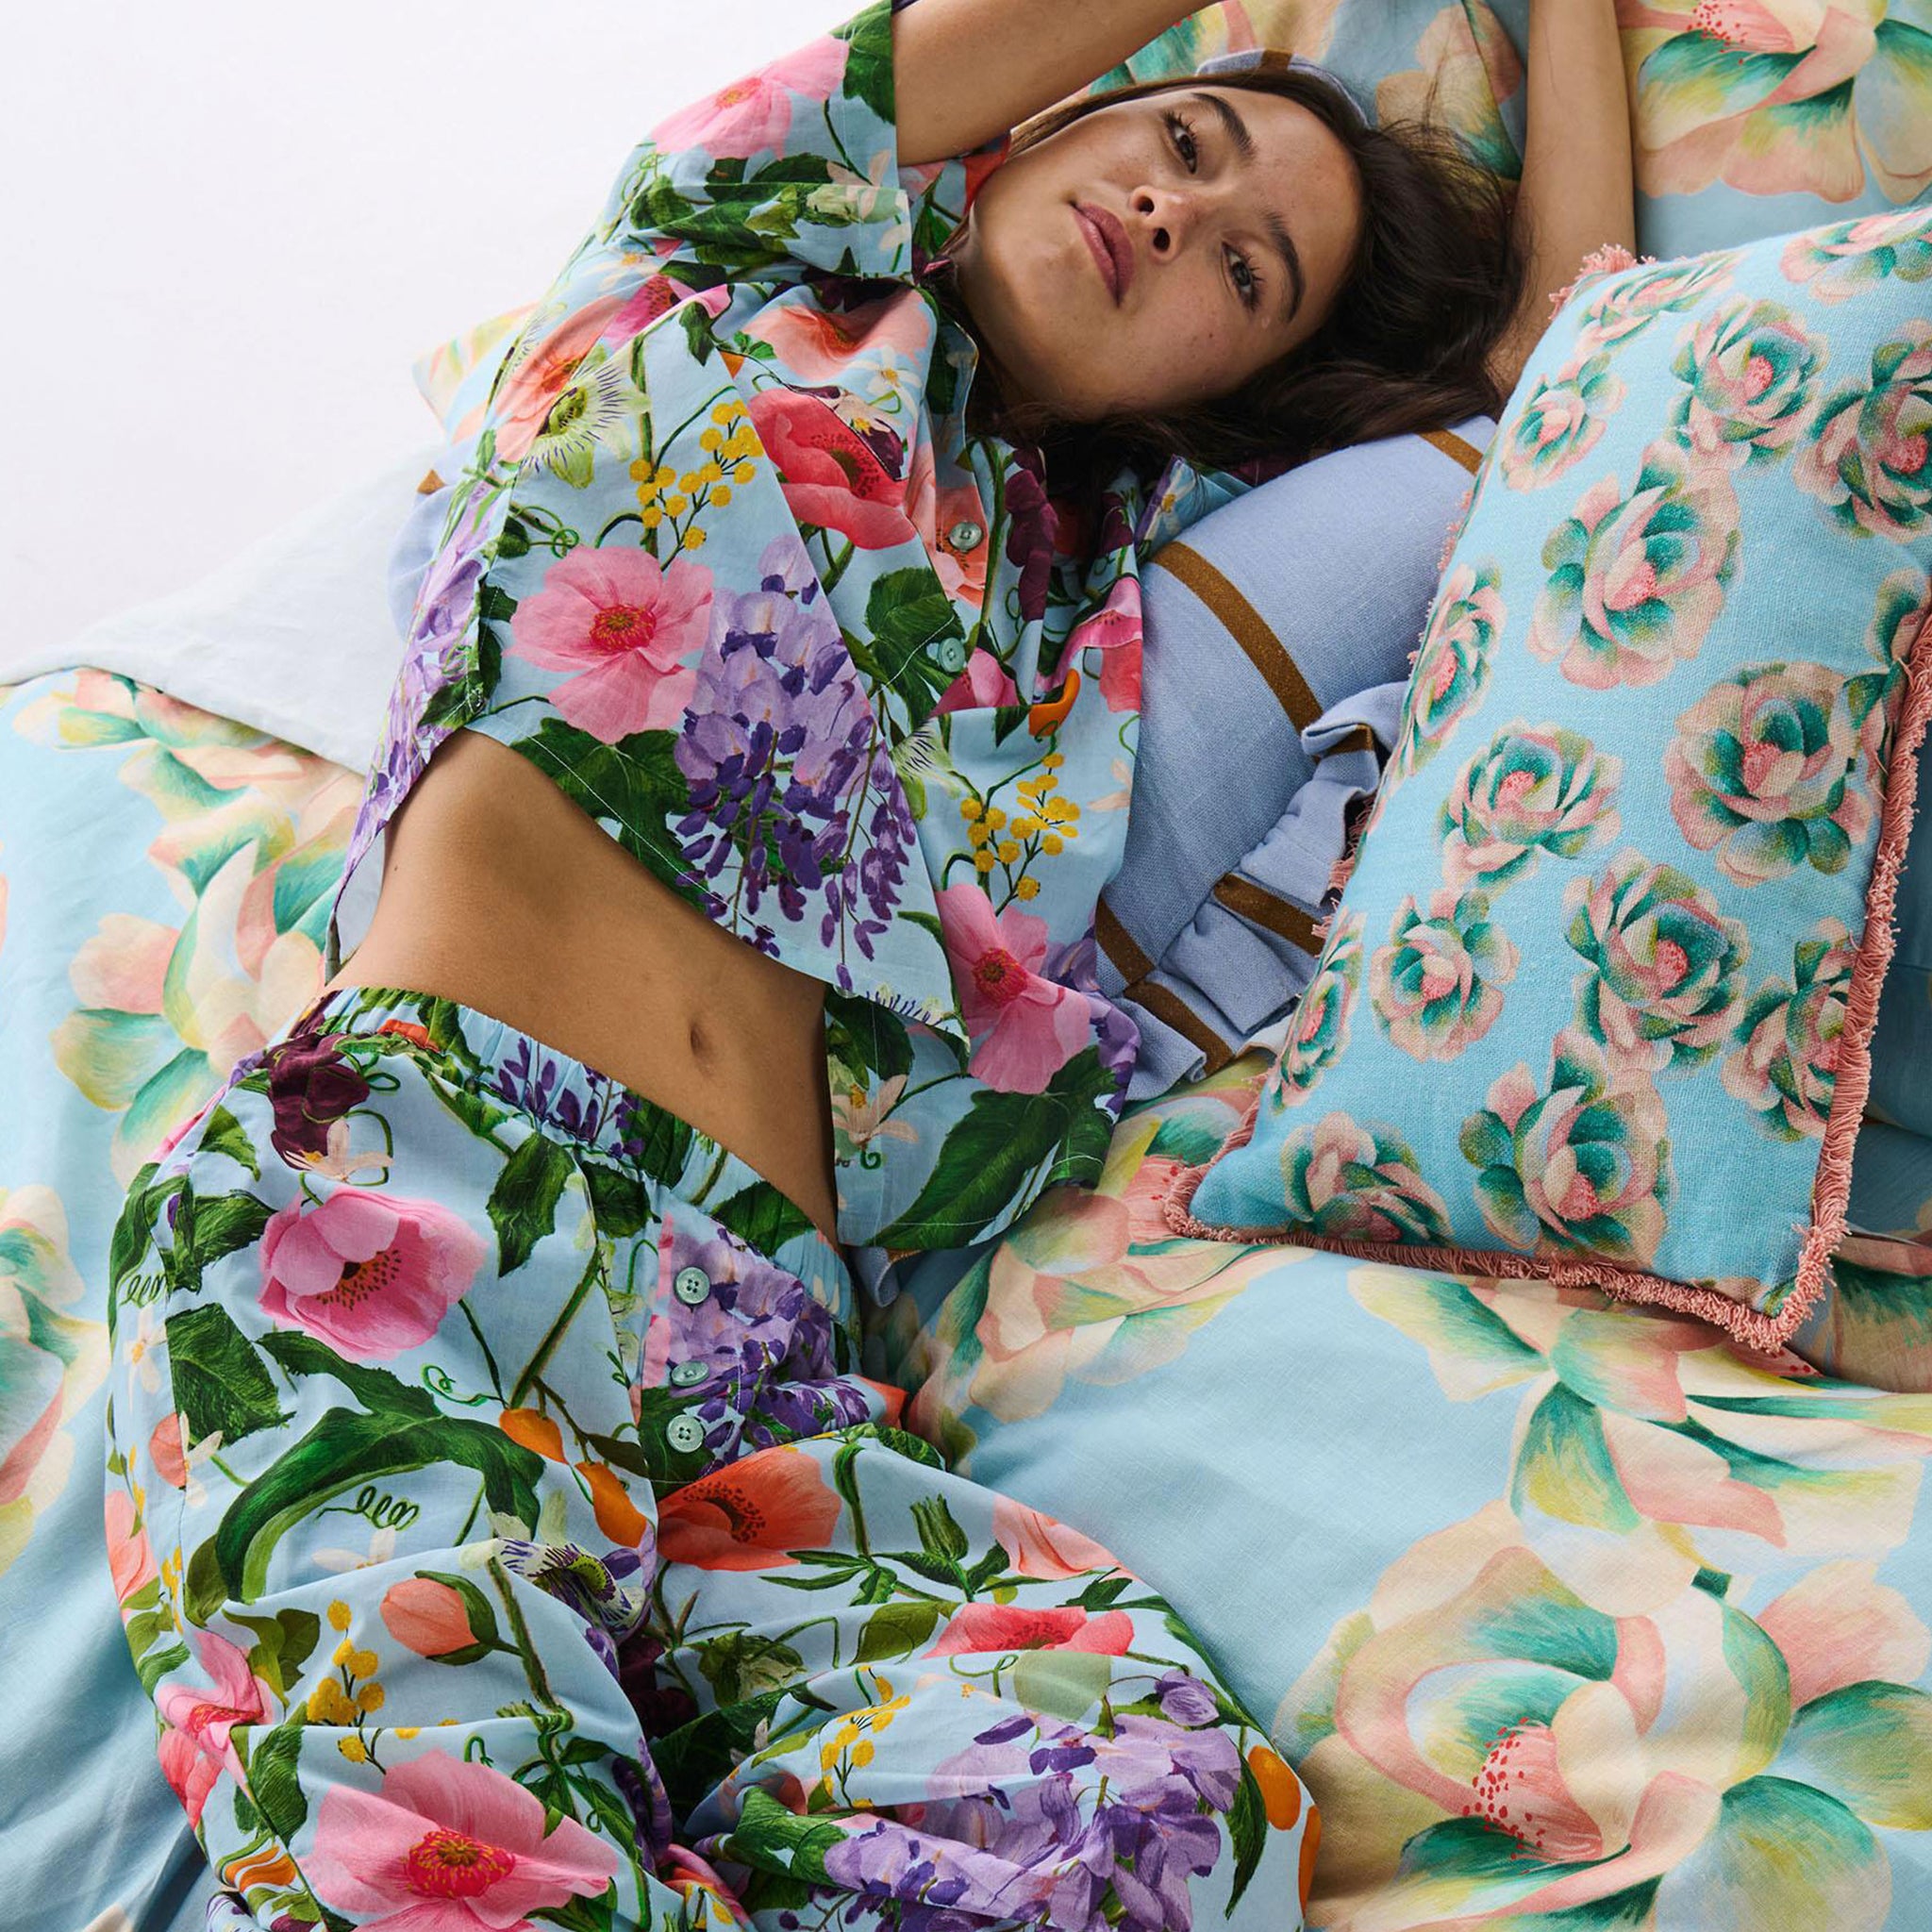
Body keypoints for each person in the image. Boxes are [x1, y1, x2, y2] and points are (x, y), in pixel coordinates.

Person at [103, 3, 1633, 1926]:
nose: (1175, 213)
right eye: (1180, 142)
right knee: (459, 1875)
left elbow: (1566, 372)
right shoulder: (723, 257)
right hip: (403, 1206)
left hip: (758, 1358)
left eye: (1247, 274)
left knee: (1148, 1808)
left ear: (1230, 390)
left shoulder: (1094, 626)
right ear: (1046, 122)